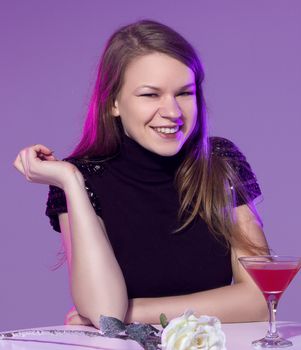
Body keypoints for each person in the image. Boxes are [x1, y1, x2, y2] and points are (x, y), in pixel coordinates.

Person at [13, 19, 269, 329]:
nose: (173, 112)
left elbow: (259, 299)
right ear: (113, 103)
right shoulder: (81, 180)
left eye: (184, 93)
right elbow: (104, 308)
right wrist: (70, 180)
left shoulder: (220, 162)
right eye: (150, 95)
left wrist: (131, 314)